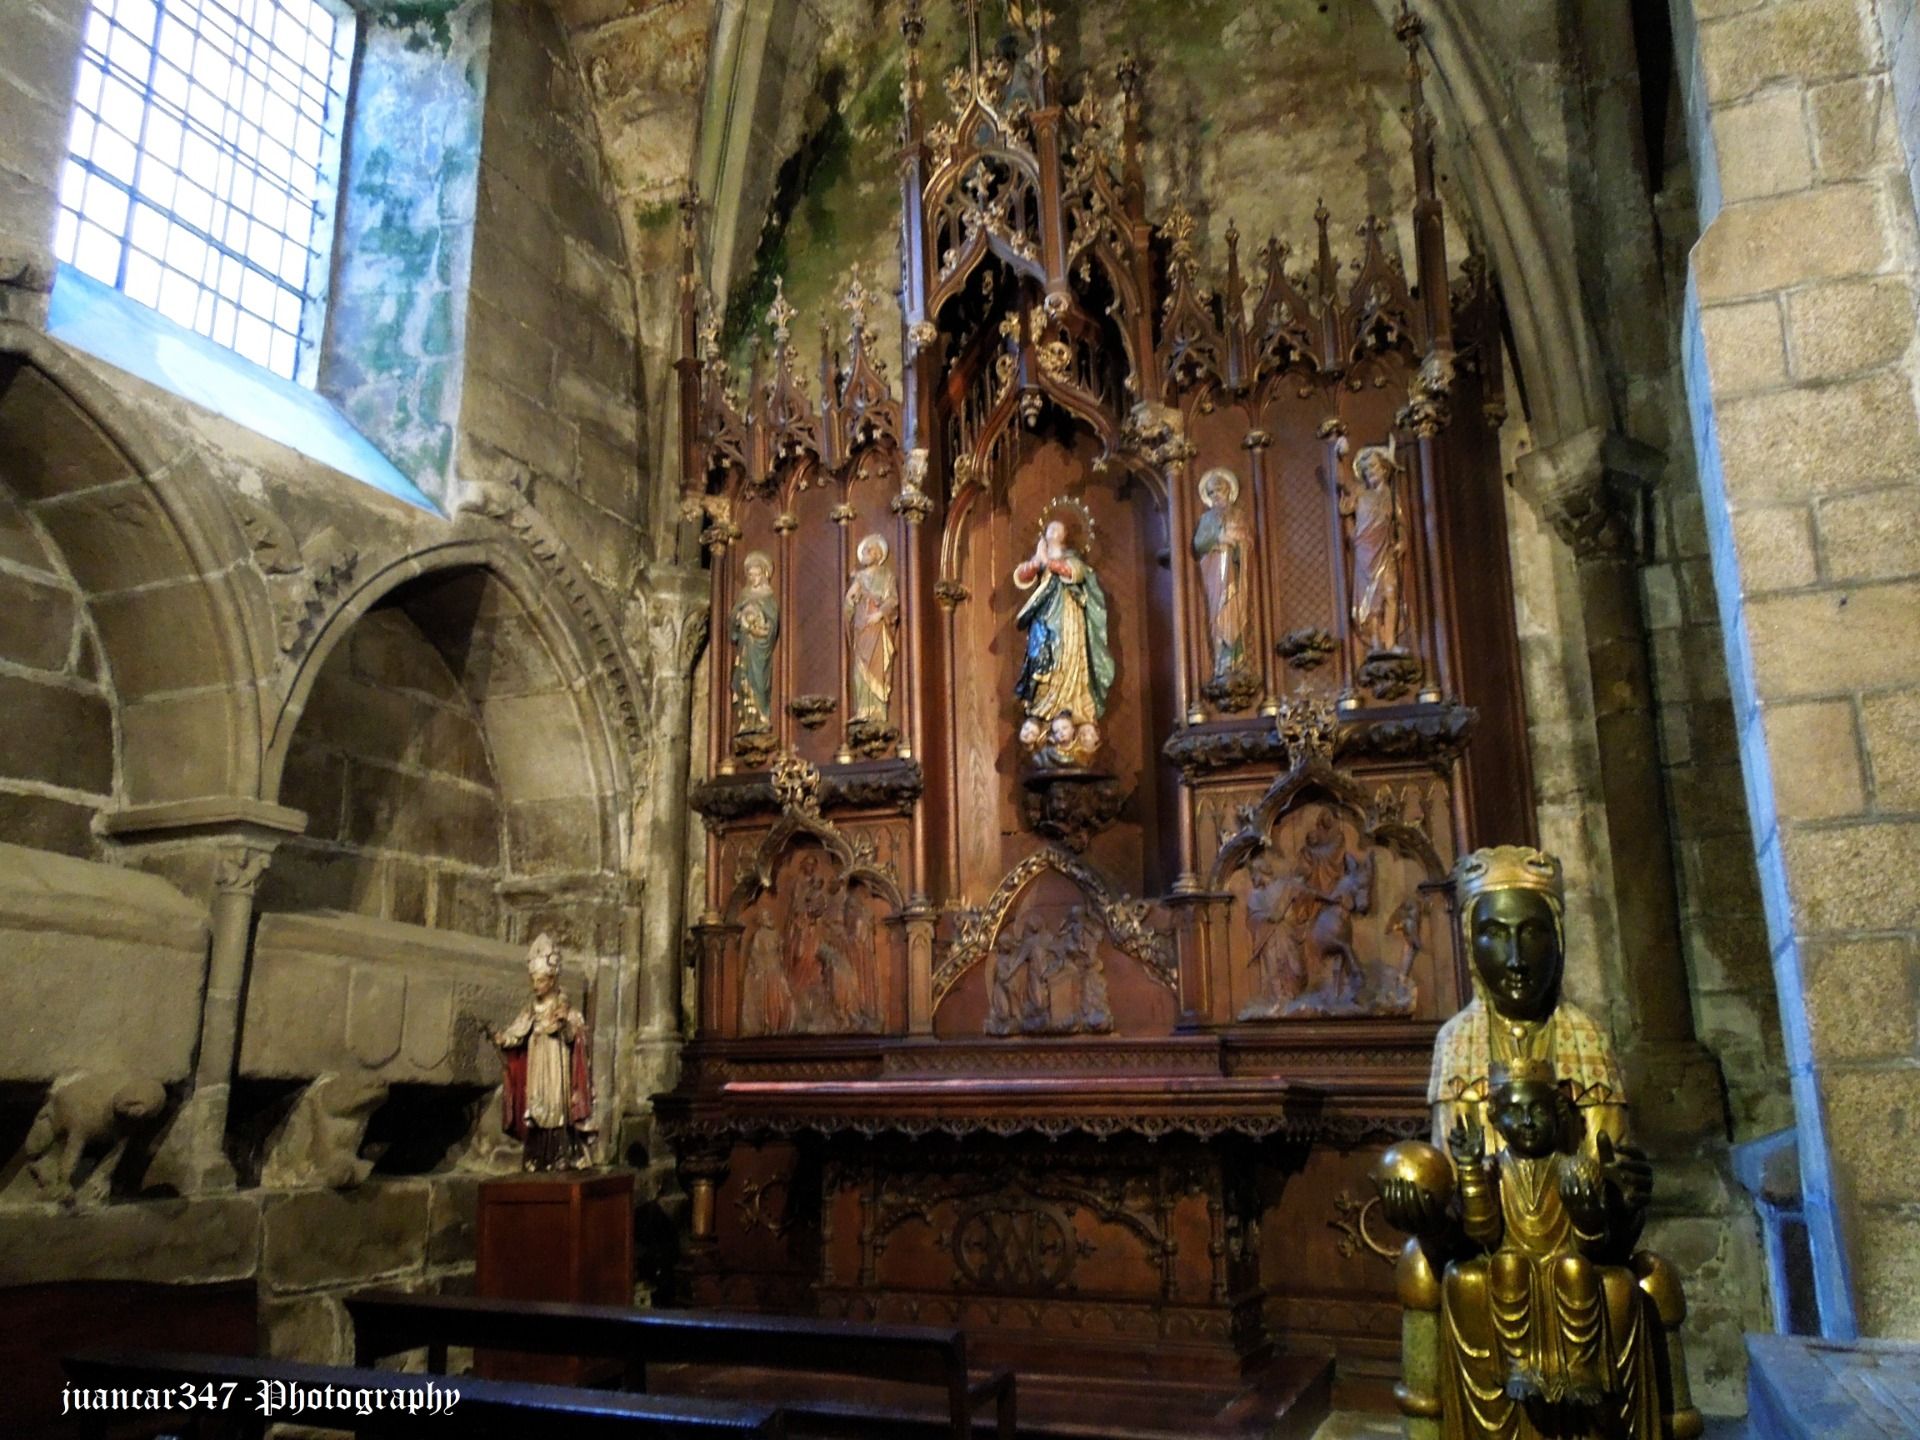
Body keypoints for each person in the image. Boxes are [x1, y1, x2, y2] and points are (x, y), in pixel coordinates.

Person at [492, 934, 595, 1171]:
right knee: (537, 1104)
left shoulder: (565, 1008)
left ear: (551, 980)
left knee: (556, 1106)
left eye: (540, 981)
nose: (535, 986)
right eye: (533, 980)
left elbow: (576, 1037)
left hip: (556, 1063)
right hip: (537, 1063)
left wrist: (565, 1026)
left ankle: (561, 1154)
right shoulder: (531, 1008)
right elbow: (518, 1031)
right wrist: (504, 1038)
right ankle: (536, 1155)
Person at [1013, 519, 1114, 758]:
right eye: (1050, 529)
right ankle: (1043, 713)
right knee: (1042, 659)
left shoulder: (1072, 559)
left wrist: (1048, 561)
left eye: (1058, 529)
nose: (1053, 532)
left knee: (1068, 659)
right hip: (1044, 620)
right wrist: (1038, 561)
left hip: (1069, 620)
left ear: (1065, 536)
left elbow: (1074, 573)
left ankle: (1073, 712)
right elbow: (1023, 576)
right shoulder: (1040, 560)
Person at [1192, 468, 1254, 694]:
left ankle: (1237, 660)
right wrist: (1218, 539)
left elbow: (1248, 541)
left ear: (1228, 491)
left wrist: (1238, 543)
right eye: (1212, 492)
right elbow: (1199, 544)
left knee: (1236, 612)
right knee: (1218, 615)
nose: (1216, 495)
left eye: (1219, 490)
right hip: (1215, 573)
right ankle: (1221, 661)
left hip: (1235, 574)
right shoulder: (1206, 519)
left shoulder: (1238, 515)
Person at [845, 534, 899, 731]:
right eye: (866, 550)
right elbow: (850, 598)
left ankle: (877, 710)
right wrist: (850, 600)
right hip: (861, 626)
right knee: (859, 668)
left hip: (877, 627)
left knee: (876, 666)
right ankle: (863, 710)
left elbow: (892, 600)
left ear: (879, 554)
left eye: (872, 549)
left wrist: (880, 614)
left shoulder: (886, 575)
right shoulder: (859, 577)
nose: (868, 553)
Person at [731, 551, 779, 743]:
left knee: (759, 681)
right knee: (743, 680)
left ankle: (761, 716)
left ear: (765, 574)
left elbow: (772, 623)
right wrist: (739, 619)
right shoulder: (744, 596)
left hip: (760, 648)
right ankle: (746, 720)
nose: (753, 578)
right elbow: (732, 622)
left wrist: (761, 627)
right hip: (745, 647)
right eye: (750, 575)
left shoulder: (768, 597)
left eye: (757, 574)